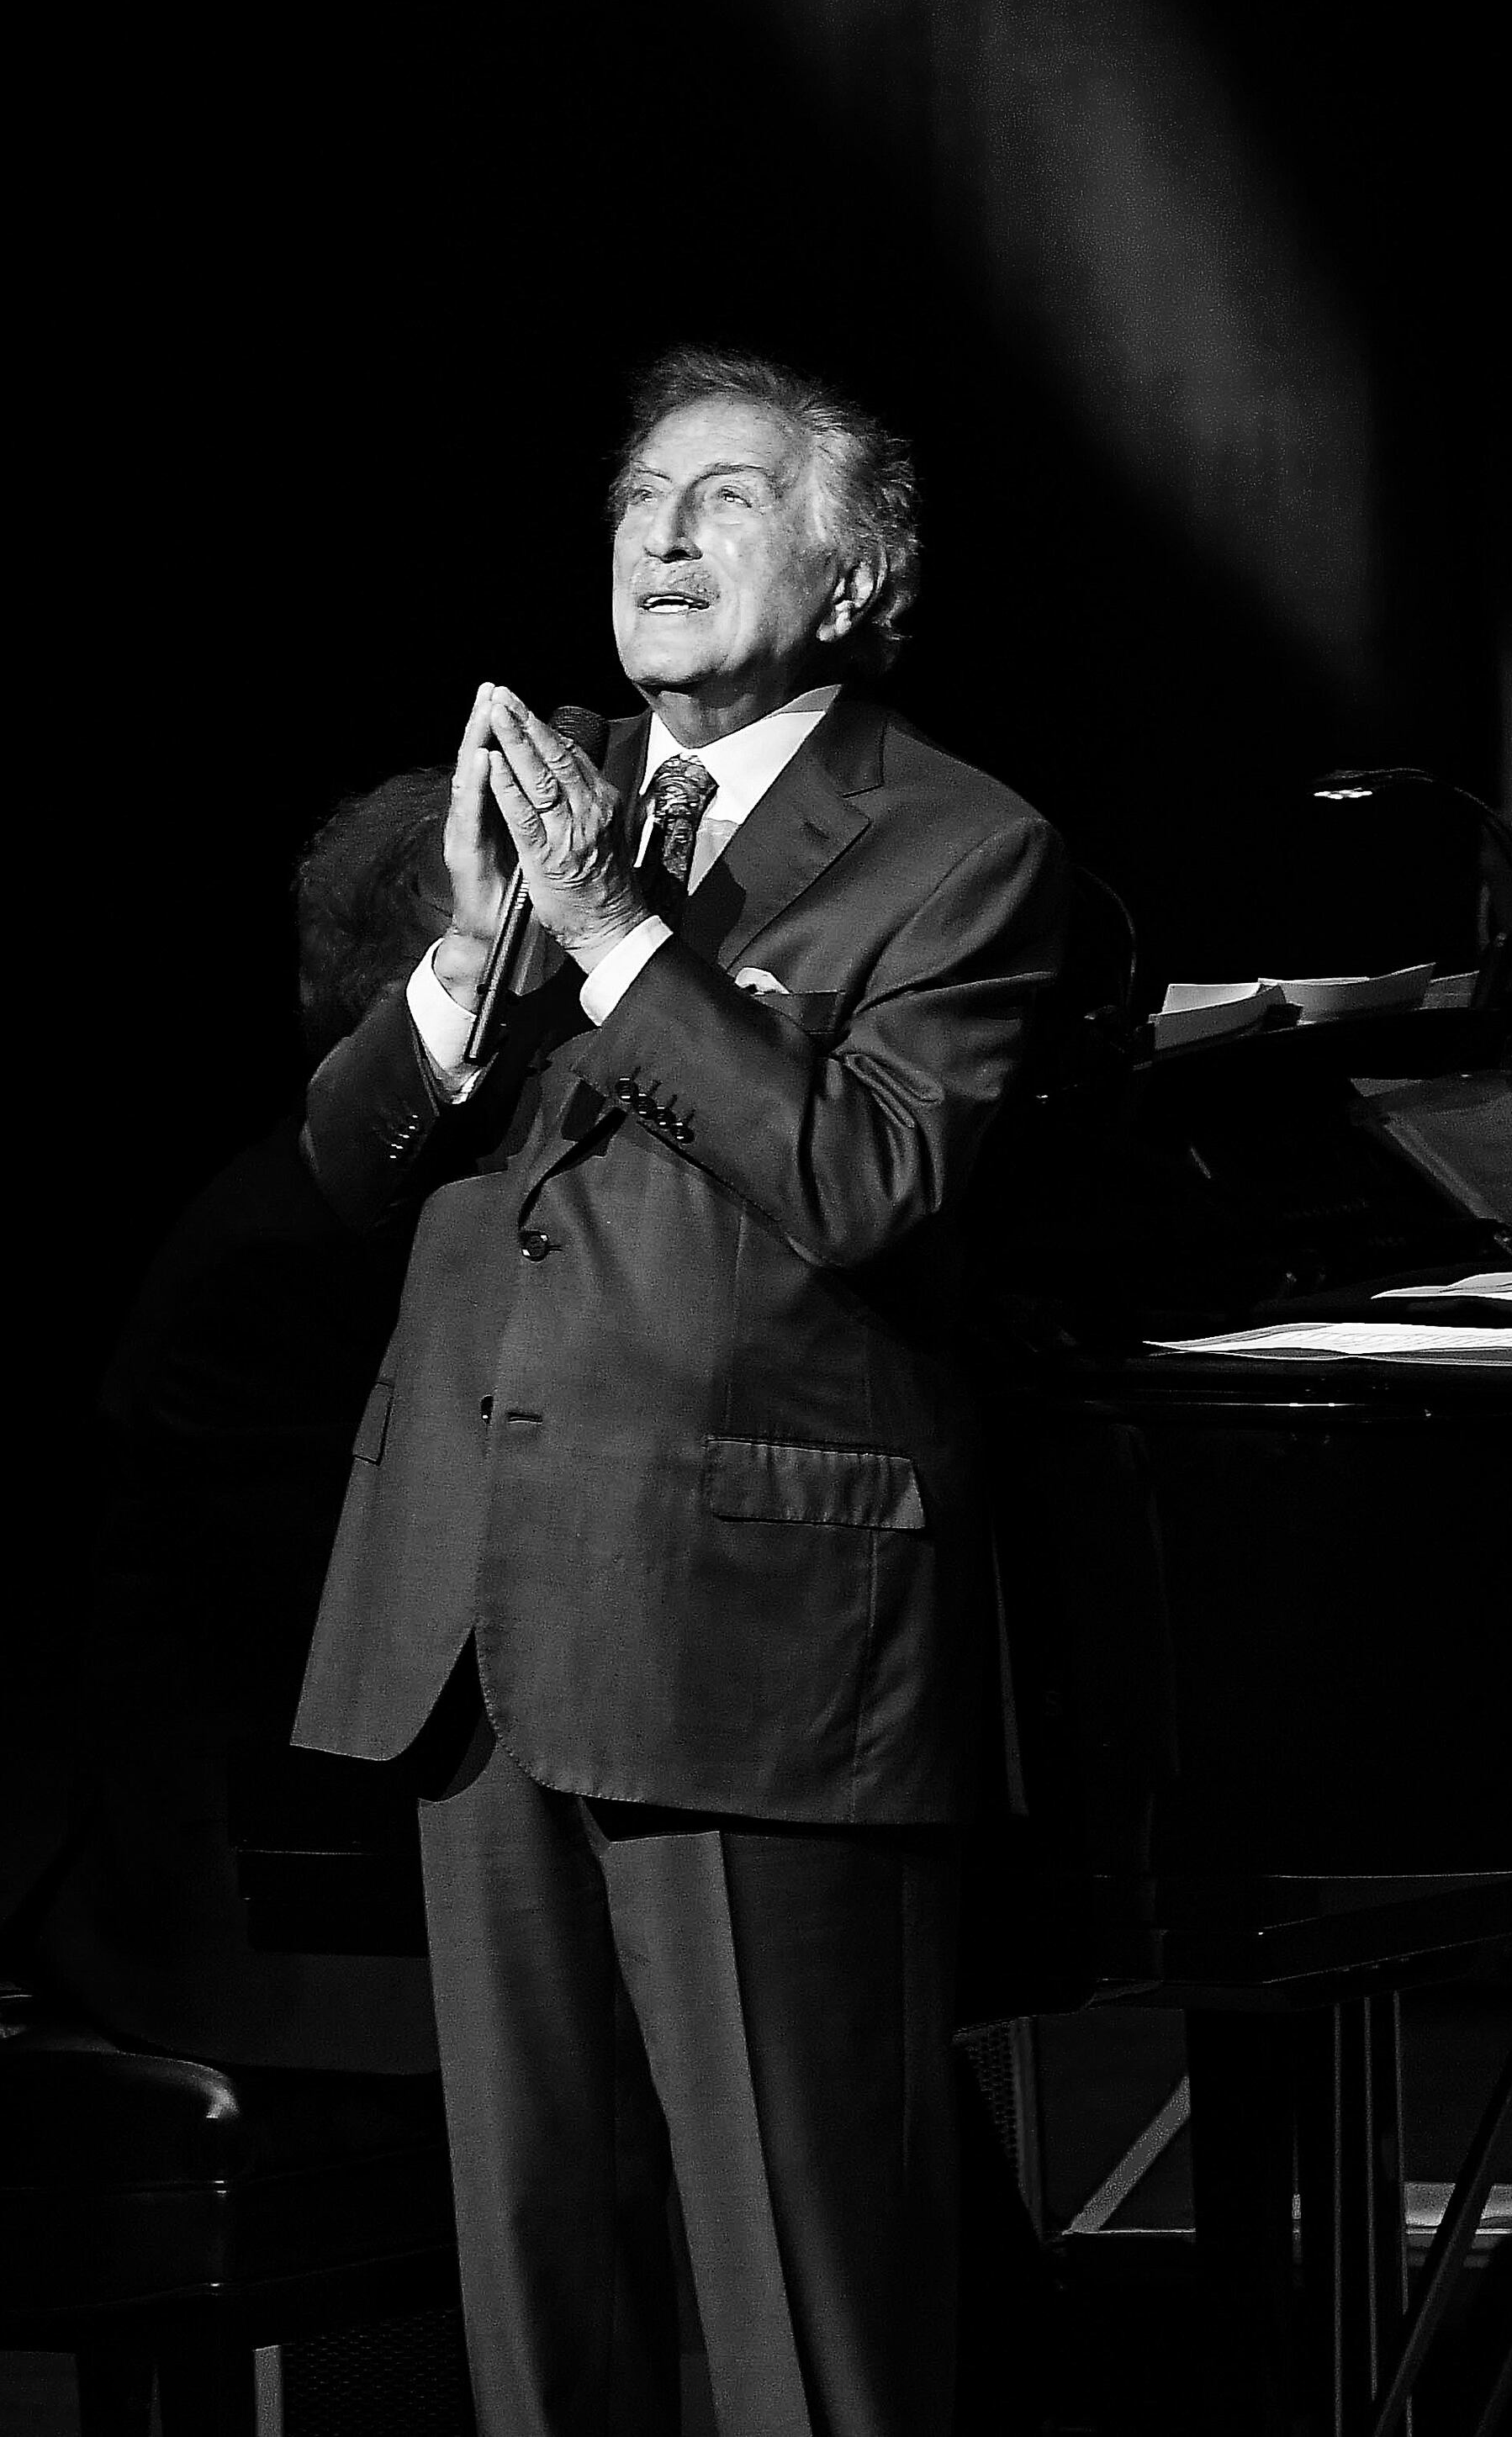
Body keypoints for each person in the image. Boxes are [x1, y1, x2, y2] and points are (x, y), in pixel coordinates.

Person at [289, 349, 1069, 2437]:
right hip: (471, 1617)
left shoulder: (958, 845)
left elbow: (865, 1179)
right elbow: (341, 1168)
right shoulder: (534, 808)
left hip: (749, 1633)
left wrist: (623, 940)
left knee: (795, 2304)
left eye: (727, 497)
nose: (664, 531)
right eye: (641, 496)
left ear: (854, 577)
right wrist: (466, 966)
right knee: (544, 2287)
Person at [1, 772, 460, 2075]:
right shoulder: (283, 1249)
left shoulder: (405, 1214)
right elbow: (364, 1628)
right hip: (285, 1922)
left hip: (367, 1862)